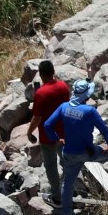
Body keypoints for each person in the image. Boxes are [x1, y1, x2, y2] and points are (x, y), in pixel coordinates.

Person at [44, 80, 108, 215]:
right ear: (86, 96)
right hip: (88, 151)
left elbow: (47, 125)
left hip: (69, 152)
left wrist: (57, 139)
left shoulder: (63, 107)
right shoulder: (89, 111)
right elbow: (104, 129)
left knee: (68, 183)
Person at [27, 61, 70, 201]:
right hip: (64, 133)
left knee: (51, 167)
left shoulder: (41, 93)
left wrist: (29, 132)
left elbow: (37, 117)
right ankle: (69, 190)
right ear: (53, 71)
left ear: (40, 74)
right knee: (67, 162)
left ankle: (57, 197)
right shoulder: (63, 86)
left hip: (48, 137)